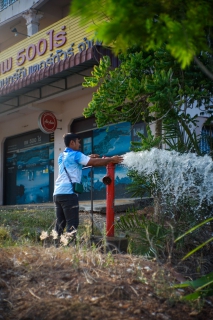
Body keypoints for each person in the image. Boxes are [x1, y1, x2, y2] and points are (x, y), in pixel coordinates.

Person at [53, 132, 123, 237]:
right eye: (78, 142)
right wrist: (111, 159)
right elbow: (94, 163)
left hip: (57, 193)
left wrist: (88, 157)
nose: (79, 144)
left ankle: (56, 247)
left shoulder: (62, 156)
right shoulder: (76, 155)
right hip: (68, 194)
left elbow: (74, 163)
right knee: (72, 224)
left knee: (60, 223)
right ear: (72, 142)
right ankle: (69, 247)